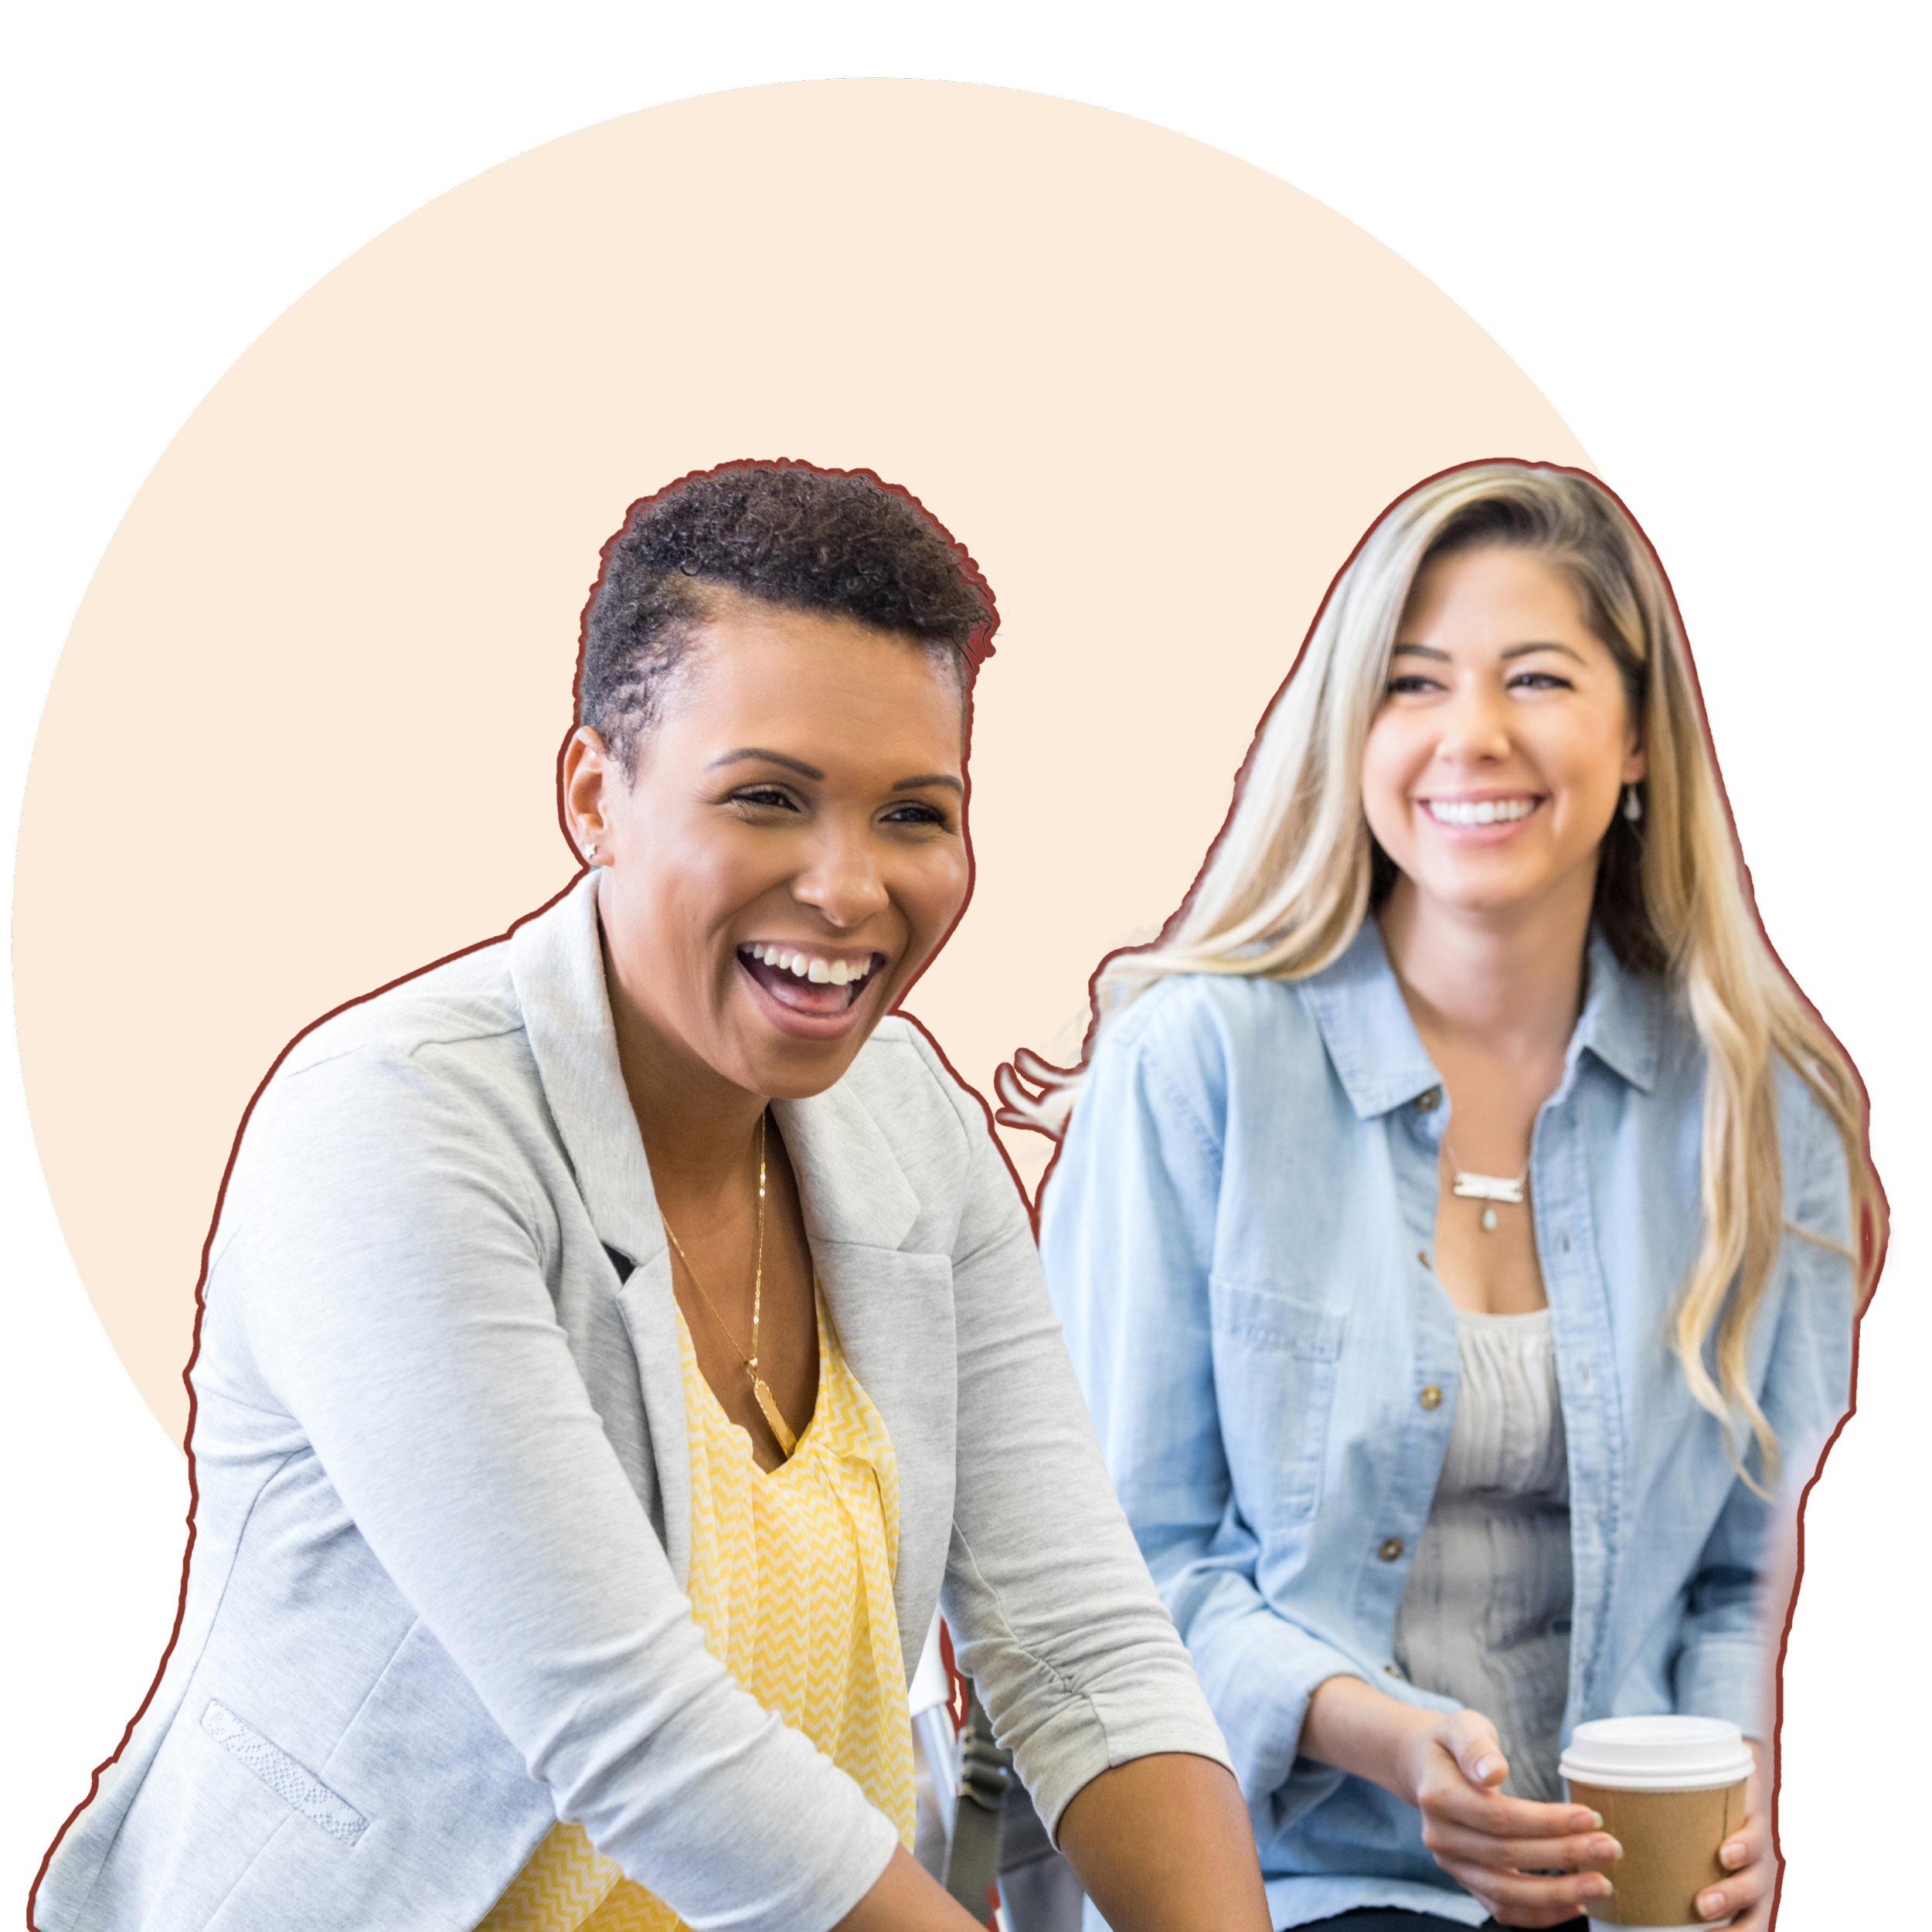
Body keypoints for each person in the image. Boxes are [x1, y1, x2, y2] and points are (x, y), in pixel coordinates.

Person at [31, 463, 1272, 1932]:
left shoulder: (912, 1120)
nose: (850, 888)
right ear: (593, 798)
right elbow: (636, 1733)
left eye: (912, 813)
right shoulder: (392, 1126)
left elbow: (1080, 1641)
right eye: (767, 799)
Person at [999, 462, 1884, 1932]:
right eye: (1413, 683)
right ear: (1353, 732)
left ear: (1638, 738)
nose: (1472, 733)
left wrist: (1734, 1813)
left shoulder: (1762, 1106)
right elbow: (1116, 1584)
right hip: (1276, 1880)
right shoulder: (1194, 1066)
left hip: (1622, 1890)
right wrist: (1391, 1740)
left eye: (1536, 678)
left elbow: (1740, 1574)